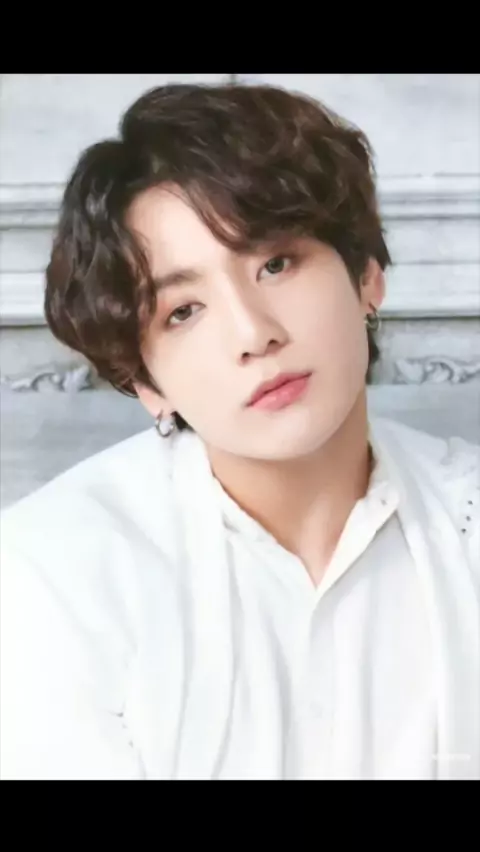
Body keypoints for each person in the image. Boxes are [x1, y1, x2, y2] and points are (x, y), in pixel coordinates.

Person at [0, 82, 478, 781]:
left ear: (366, 276)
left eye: (275, 264)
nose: (255, 334)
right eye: (183, 311)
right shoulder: (51, 576)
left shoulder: (467, 521)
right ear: (146, 384)